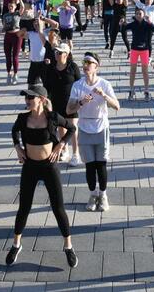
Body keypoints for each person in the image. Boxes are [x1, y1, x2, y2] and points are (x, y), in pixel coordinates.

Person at [8, 84, 78, 268]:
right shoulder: (23, 118)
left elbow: (71, 128)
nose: (27, 100)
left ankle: (68, 246)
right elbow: (14, 131)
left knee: (58, 208)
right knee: (24, 208)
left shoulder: (53, 117)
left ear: (41, 99)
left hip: (49, 167)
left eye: (31, 97)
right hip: (30, 167)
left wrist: (61, 144)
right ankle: (16, 244)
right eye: (26, 97)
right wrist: (17, 147)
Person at [66, 52, 119, 212]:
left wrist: (104, 96)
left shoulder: (105, 84)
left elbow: (117, 106)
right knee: (89, 166)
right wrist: (81, 102)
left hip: (101, 127)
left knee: (101, 165)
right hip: (84, 127)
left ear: (97, 66)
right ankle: (92, 194)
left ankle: (103, 195)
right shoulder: (77, 85)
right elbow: (69, 110)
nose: (86, 65)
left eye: (89, 62)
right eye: (84, 62)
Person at [41, 43, 82, 164]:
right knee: (61, 128)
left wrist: (80, 101)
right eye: (56, 52)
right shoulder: (51, 67)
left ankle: (76, 154)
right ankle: (65, 151)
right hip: (56, 102)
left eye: (59, 53)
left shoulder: (73, 67)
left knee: (73, 128)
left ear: (66, 54)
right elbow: (46, 86)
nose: (56, 54)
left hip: (71, 102)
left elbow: (80, 83)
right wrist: (45, 101)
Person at [121, 8, 154, 101]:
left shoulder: (147, 24)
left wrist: (150, 22)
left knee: (145, 71)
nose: (138, 15)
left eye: (140, 14)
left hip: (144, 50)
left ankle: (146, 91)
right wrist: (122, 23)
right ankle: (131, 90)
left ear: (143, 15)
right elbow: (124, 28)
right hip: (134, 49)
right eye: (137, 14)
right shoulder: (133, 24)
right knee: (132, 71)